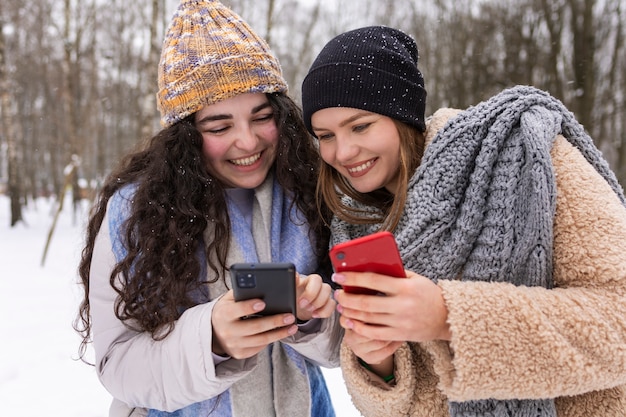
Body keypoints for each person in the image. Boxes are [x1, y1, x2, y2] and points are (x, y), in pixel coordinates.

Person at [300, 25, 626, 417]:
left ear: (402, 117)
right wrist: (378, 364)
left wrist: (448, 317)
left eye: (361, 126)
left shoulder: (524, 154)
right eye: (325, 135)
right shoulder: (352, 227)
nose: (343, 151)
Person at [73, 1, 342, 416]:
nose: (248, 141)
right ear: (184, 135)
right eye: (219, 126)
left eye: (262, 117)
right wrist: (213, 339)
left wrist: (311, 319)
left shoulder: (308, 191)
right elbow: (118, 362)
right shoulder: (133, 210)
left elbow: (346, 342)